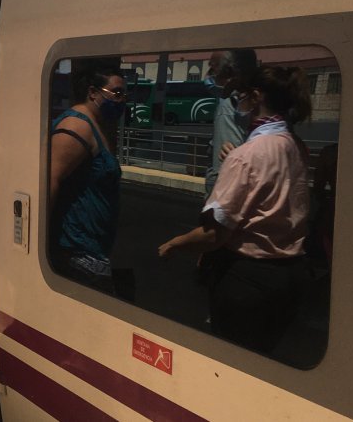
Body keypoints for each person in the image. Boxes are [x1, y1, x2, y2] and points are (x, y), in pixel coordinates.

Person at [158, 66, 313, 353]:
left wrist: (174, 244)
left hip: (249, 280)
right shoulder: (296, 146)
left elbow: (213, 235)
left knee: (233, 358)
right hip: (291, 275)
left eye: (240, 96)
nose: (237, 104)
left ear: (255, 97)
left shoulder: (246, 156)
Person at [47, 66, 130, 297]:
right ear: (93, 93)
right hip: (76, 254)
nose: (122, 100)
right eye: (116, 92)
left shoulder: (95, 125)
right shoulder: (76, 126)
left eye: (124, 94)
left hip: (90, 251)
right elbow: (51, 180)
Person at [203, 49, 258, 196]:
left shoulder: (228, 106)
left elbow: (222, 169)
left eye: (212, 68)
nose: (208, 75)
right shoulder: (258, 101)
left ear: (229, 72)